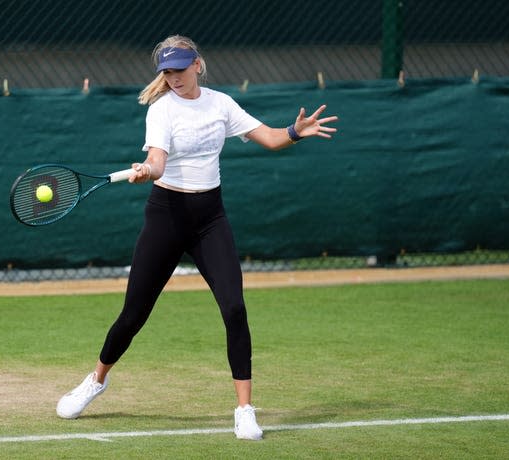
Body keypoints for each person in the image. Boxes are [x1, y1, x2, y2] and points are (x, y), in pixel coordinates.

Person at [56, 35, 338, 441]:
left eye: (179, 69)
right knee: (133, 315)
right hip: (166, 217)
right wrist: (148, 171)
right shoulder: (161, 110)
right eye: (166, 72)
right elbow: (157, 161)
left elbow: (272, 139)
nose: (173, 78)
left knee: (235, 308)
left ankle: (244, 410)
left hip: (210, 219)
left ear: (198, 65)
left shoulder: (221, 104)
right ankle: (96, 380)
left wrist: (295, 130)